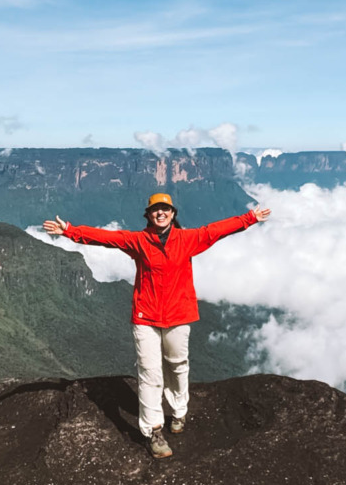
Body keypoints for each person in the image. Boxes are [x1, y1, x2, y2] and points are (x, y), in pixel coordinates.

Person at [43, 193, 271, 458]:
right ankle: (154, 431)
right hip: (146, 317)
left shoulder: (187, 240)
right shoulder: (139, 241)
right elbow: (107, 238)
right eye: (155, 210)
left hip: (179, 315)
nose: (160, 214)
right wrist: (70, 231)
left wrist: (249, 218)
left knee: (177, 364)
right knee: (150, 374)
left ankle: (178, 411)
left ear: (173, 214)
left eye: (165, 210)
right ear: (148, 215)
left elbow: (216, 230)